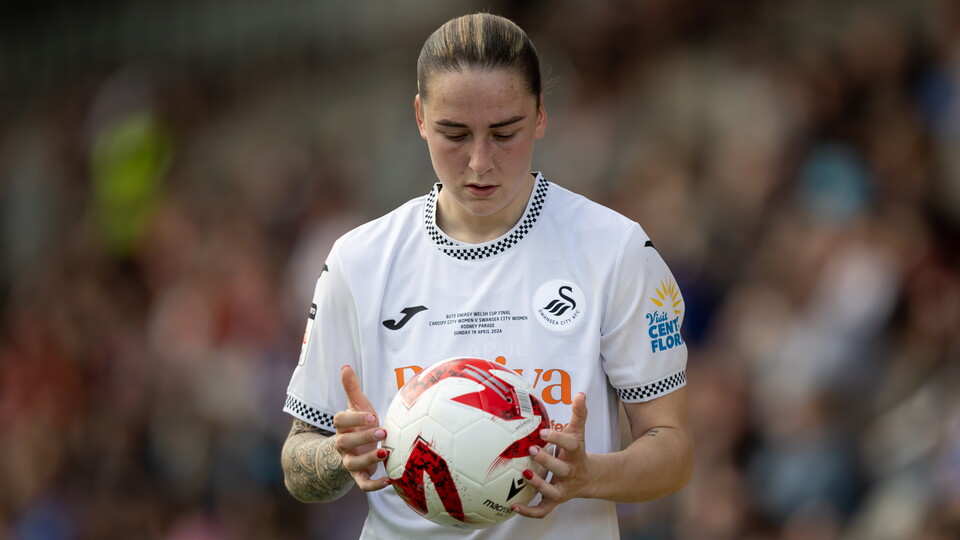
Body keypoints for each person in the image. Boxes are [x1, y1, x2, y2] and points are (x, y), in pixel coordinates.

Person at [280, 12, 693, 539]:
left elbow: (673, 450)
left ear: (540, 116)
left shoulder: (613, 249)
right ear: (420, 117)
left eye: (504, 133)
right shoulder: (358, 260)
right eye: (454, 133)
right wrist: (340, 456)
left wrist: (589, 475)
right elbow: (298, 465)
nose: (479, 162)